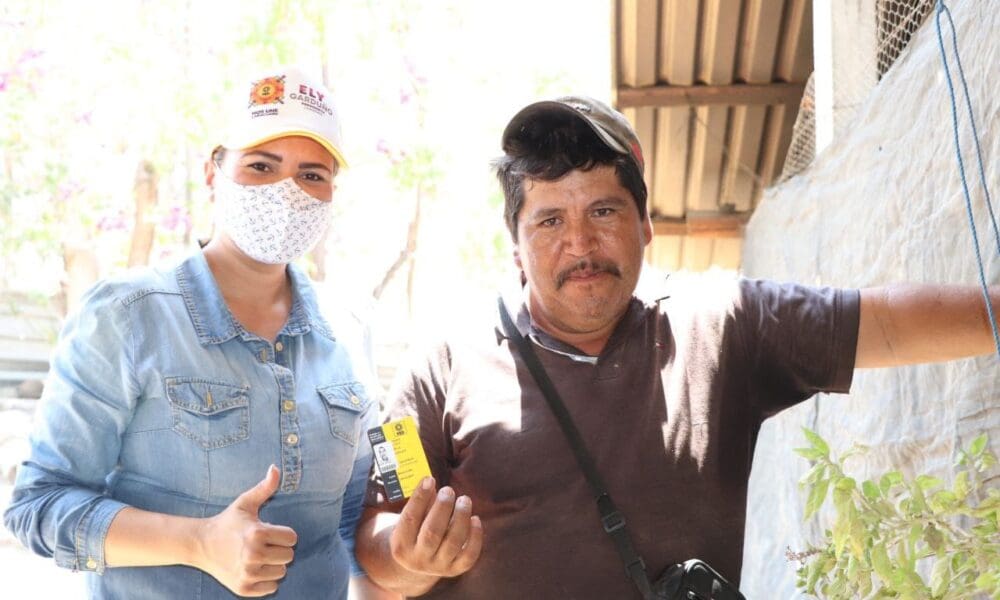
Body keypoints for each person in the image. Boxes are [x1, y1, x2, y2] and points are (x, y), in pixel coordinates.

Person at [353, 96, 1000, 598]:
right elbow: (378, 536)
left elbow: (882, 323)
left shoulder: (720, 324)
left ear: (645, 225)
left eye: (603, 211)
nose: (580, 243)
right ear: (516, 248)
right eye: (550, 220)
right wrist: (411, 558)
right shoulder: (439, 366)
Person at [4, 67, 381, 599]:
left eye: (312, 175)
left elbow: (356, 518)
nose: (287, 193)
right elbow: (39, 506)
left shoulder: (349, 328)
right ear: (213, 172)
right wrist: (198, 542)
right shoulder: (126, 317)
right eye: (261, 166)